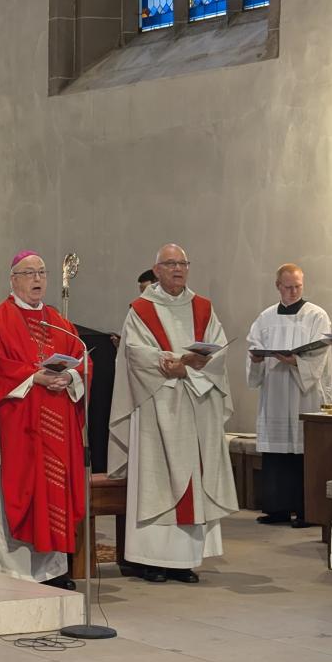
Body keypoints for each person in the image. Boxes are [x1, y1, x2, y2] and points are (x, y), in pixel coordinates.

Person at [108, 243, 237, 584]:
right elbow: (134, 354)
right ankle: (150, 559)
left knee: (192, 482)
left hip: (195, 407)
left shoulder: (204, 309)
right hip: (157, 407)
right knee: (156, 480)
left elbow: (219, 351)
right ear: (157, 270)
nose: (178, 269)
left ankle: (184, 562)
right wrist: (171, 364)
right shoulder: (140, 309)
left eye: (183, 263)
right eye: (170, 264)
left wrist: (188, 370)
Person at [0, 253, 86, 588]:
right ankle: (17, 569)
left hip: (55, 425)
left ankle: (53, 569)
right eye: (29, 273)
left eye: (42, 273)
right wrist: (35, 377)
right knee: (24, 491)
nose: (38, 279)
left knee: (54, 491)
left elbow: (82, 358)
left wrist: (71, 379)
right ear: (12, 279)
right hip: (17, 427)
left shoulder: (58, 320)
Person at [246, 264, 332, 527]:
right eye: (288, 287)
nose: (293, 291)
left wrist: (296, 361)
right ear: (278, 286)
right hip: (275, 392)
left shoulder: (316, 315)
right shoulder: (266, 317)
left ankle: (306, 511)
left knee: (303, 452)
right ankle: (278, 509)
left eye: (298, 286)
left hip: (302, 393)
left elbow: (320, 354)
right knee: (277, 453)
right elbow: (254, 346)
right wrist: (257, 359)